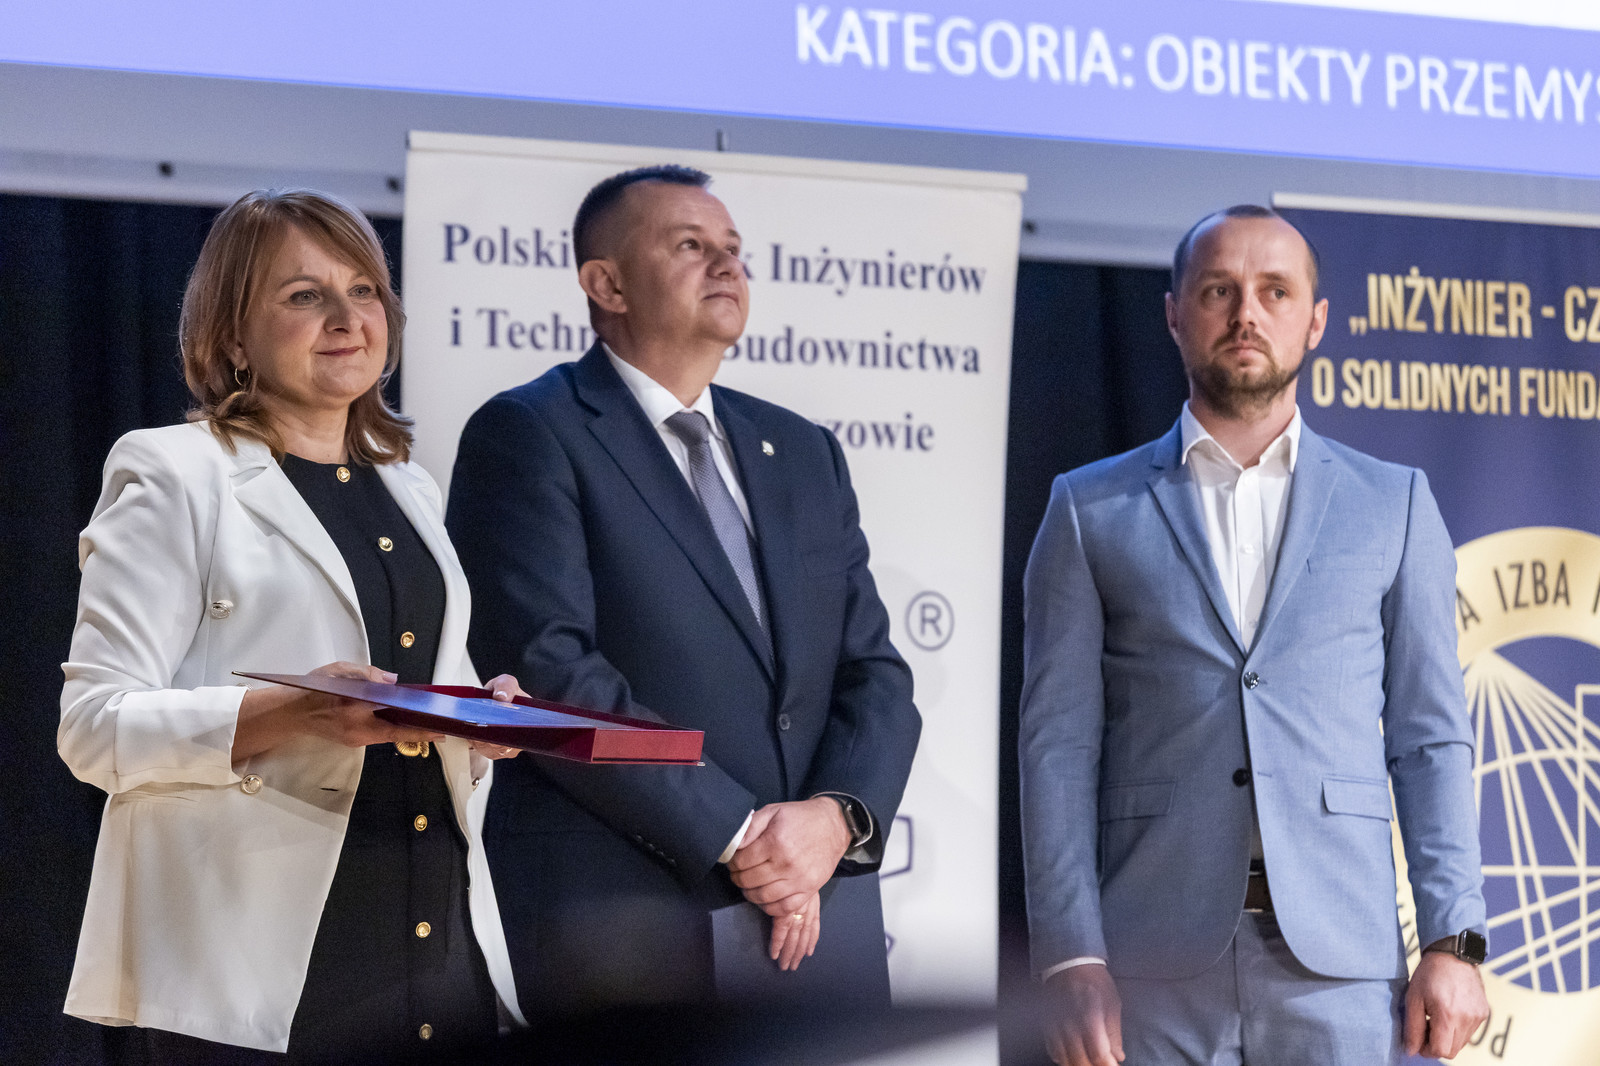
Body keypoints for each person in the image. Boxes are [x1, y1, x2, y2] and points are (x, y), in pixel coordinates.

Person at [59, 189, 527, 1063]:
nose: (348, 319)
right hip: (263, 964)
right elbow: (92, 729)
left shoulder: (409, 485)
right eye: (305, 295)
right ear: (234, 336)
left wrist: (477, 721)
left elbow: (422, 702)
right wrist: (293, 712)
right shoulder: (174, 472)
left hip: (434, 932)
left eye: (364, 291)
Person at [1018, 206, 1489, 1065]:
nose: (1246, 314)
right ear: (1173, 314)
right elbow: (1056, 749)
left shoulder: (1395, 503)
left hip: (1342, 965)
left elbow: (1429, 738)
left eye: (1275, 292)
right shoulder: (1088, 508)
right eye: (1219, 291)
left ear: (1315, 320)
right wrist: (1070, 956)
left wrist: (1453, 940)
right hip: (1150, 963)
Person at [445, 165, 921, 1014]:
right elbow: (549, 671)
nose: (727, 264)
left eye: (733, 248)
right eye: (691, 246)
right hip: (623, 910)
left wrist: (835, 819)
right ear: (607, 284)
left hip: (812, 914)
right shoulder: (529, 433)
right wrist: (739, 833)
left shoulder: (803, 450)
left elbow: (873, 671)